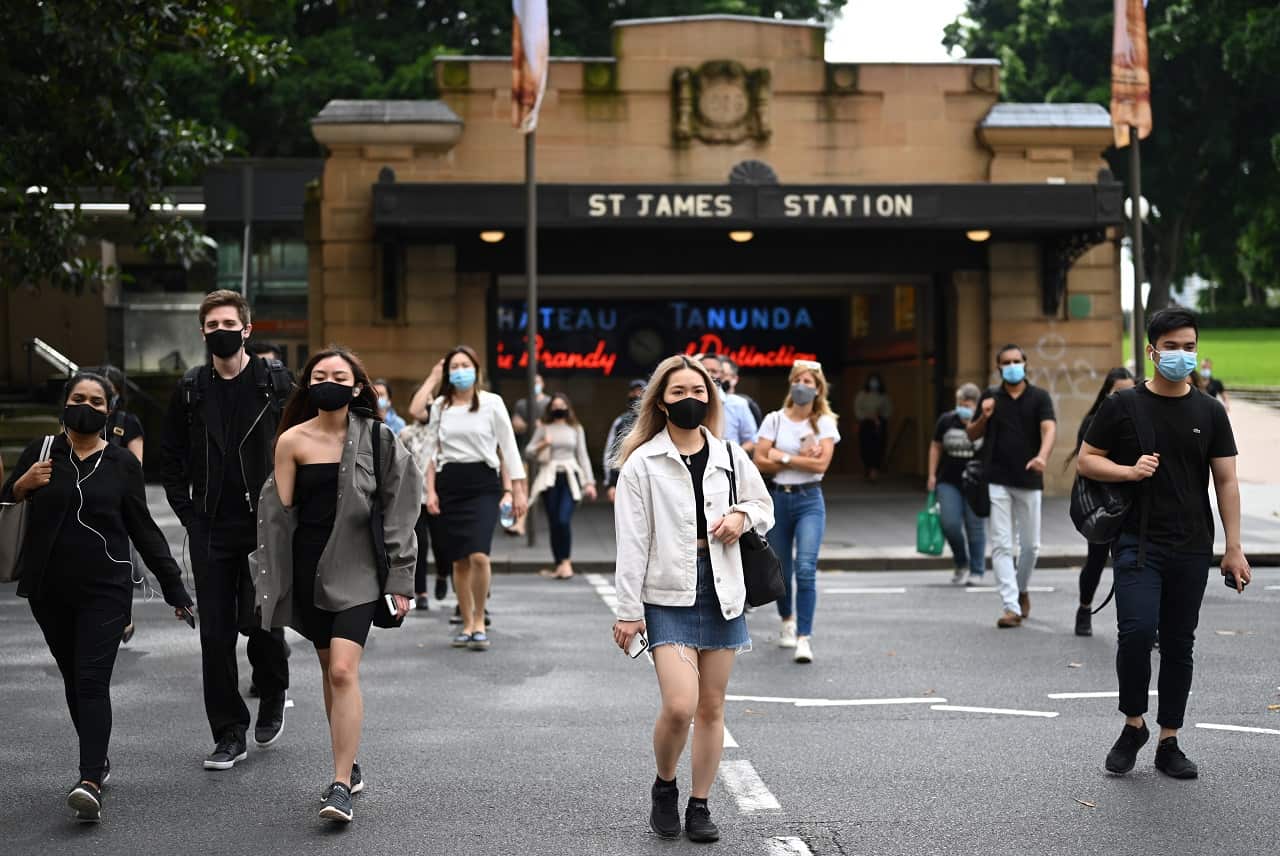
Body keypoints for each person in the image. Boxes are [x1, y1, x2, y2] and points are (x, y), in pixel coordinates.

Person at [2, 371, 194, 823]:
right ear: (64, 404)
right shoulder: (41, 453)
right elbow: (7, 504)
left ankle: (89, 779)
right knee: (73, 678)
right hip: (48, 590)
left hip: (105, 591)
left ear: (110, 411)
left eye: (96, 401)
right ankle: (99, 758)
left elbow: (144, 531)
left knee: (90, 680)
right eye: (77, 397)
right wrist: (20, 485)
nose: (86, 406)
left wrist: (175, 589)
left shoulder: (123, 464)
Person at [1079, 307, 1249, 780]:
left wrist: (1234, 546)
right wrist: (1128, 471)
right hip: (1138, 540)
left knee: (1178, 643)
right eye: (1171, 346)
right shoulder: (1123, 406)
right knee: (1135, 632)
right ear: (1152, 351)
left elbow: (1227, 482)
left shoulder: (1210, 410)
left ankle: (1168, 739)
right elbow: (1087, 460)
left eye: (1189, 346)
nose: (1181, 354)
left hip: (1192, 544)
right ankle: (1133, 723)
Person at [612, 354, 773, 844]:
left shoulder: (728, 454)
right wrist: (627, 611)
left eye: (699, 392)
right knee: (680, 706)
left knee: (712, 706)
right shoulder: (642, 461)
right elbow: (632, 541)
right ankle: (665, 786)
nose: (690, 400)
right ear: (660, 401)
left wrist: (741, 517)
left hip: (723, 588)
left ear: (711, 398)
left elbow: (762, 503)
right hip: (667, 591)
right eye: (679, 392)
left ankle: (700, 805)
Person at [255, 347, 419, 823]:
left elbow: (401, 512)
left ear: (356, 387)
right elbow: (277, 519)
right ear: (308, 384)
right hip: (310, 570)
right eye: (319, 374)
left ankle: (340, 783)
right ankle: (347, 758)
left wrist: (401, 578)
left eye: (339, 375)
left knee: (344, 670)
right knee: (330, 670)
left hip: (362, 572)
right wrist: (268, 584)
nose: (329, 381)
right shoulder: (291, 442)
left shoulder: (380, 439)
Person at [159, 289, 293, 769]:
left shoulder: (275, 383)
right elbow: (169, 457)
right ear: (203, 332)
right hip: (212, 528)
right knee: (215, 636)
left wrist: (291, 509)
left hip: (265, 526)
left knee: (261, 623)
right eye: (212, 325)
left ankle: (273, 692)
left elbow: (303, 441)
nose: (221, 331)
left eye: (228, 323)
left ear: (247, 330)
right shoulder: (191, 390)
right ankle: (228, 732)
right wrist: (189, 514)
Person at [423, 346, 528, 650]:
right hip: (449, 485)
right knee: (458, 560)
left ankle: (480, 619)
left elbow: (508, 448)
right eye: (454, 365)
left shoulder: (492, 403)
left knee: (479, 554)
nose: (459, 370)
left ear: (476, 369)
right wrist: (429, 491)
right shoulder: (441, 406)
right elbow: (430, 451)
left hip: (483, 484)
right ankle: (467, 623)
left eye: (465, 364)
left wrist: (516, 489)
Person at [752, 359, 840, 664]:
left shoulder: (825, 423)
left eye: (809, 382)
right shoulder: (774, 420)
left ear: (818, 389)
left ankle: (805, 637)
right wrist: (794, 458)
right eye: (798, 380)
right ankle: (786, 620)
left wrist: (782, 456)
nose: (802, 386)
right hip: (779, 500)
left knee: (805, 568)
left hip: (809, 500)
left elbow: (821, 466)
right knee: (781, 571)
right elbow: (759, 460)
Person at [966, 345, 1056, 628]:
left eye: (1017, 361)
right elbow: (971, 434)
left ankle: (1021, 588)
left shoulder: (1039, 397)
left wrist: (1042, 457)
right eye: (1007, 362)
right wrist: (984, 416)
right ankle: (1010, 606)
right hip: (997, 479)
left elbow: (1049, 428)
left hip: (1029, 478)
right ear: (999, 368)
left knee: (1030, 546)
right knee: (1002, 545)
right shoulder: (990, 396)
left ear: (1025, 363)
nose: (1012, 365)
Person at [1065, 367, 1135, 636]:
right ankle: (1084, 609)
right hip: (1103, 501)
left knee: (1130, 562)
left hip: (1132, 499)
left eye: (1131, 391)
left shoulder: (1140, 420)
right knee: (1096, 558)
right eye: (1120, 392)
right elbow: (1087, 463)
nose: (1126, 397)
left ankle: (1136, 624)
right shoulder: (1094, 421)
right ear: (1108, 393)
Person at [96, 364, 147, 644]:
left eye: (107, 391)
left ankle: (123, 616)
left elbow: (136, 465)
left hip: (117, 502)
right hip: (82, 502)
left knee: (119, 561)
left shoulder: (127, 422)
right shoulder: (73, 418)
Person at [526, 392, 597, 579]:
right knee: (554, 522)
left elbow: (583, 456)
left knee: (563, 520)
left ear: (568, 408)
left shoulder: (576, 428)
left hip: (570, 476)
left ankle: (566, 562)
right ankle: (559, 564)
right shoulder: (544, 428)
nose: (558, 409)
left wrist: (590, 483)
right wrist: (543, 444)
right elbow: (529, 452)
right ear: (550, 409)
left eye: (561, 405)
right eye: (555, 406)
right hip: (549, 478)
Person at [928, 383, 987, 586]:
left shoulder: (983, 423)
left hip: (975, 483)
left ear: (976, 405)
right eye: (961, 404)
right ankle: (961, 562)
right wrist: (931, 475)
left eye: (969, 404)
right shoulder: (946, 421)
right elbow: (935, 446)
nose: (964, 408)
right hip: (948, 480)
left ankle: (977, 569)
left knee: (975, 526)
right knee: (950, 524)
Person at [506, 373, 550, 535]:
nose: (535, 384)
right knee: (525, 486)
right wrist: (533, 425)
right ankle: (520, 523)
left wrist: (531, 426)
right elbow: (516, 425)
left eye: (537, 381)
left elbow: (548, 427)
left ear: (543, 383)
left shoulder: (548, 403)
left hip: (546, 453)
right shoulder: (522, 404)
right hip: (527, 451)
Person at [697, 353, 757, 453]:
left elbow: (751, 441)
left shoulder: (738, 404)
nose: (709, 374)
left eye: (714, 371)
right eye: (705, 370)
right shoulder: (691, 402)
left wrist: (732, 456)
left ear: (722, 375)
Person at [603, 379, 646, 501]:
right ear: (629, 394)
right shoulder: (621, 422)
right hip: (626, 478)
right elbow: (611, 452)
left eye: (641, 392)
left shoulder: (657, 421)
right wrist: (611, 484)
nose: (638, 395)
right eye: (635, 392)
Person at [854, 373, 891, 481]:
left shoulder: (883, 396)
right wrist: (866, 417)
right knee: (865, 447)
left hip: (879, 424)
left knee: (879, 447)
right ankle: (868, 468)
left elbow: (888, 410)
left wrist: (879, 417)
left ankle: (875, 470)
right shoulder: (862, 395)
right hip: (866, 424)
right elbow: (857, 409)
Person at [721, 358, 763, 426]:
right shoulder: (707, 402)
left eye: (723, 375)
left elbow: (751, 435)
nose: (718, 378)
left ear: (735, 379)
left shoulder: (746, 403)